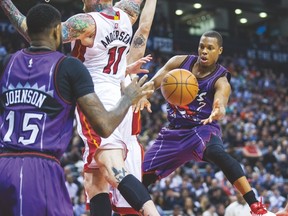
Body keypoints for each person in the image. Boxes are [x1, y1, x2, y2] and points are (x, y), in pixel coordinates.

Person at [0, 0, 160, 215]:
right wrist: (123, 69)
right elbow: (142, 28)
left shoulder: (85, 23)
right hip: (119, 95)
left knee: (114, 170)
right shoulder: (126, 14)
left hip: (97, 101)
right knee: (94, 181)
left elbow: (36, 34)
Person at [139, 30, 276, 216]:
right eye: (202, 46)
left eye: (210, 48)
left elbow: (222, 99)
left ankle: (256, 207)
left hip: (201, 128)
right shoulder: (179, 62)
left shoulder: (220, 79)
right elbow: (154, 83)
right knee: (138, 179)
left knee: (217, 153)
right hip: (173, 133)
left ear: (219, 51)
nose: (204, 51)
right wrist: (144, 92)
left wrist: (219, 110)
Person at [110, 0, 157, 215]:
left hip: (124, 145)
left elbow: (144, 28)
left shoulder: (127, 62)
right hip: (101, 143)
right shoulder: (94, 57)